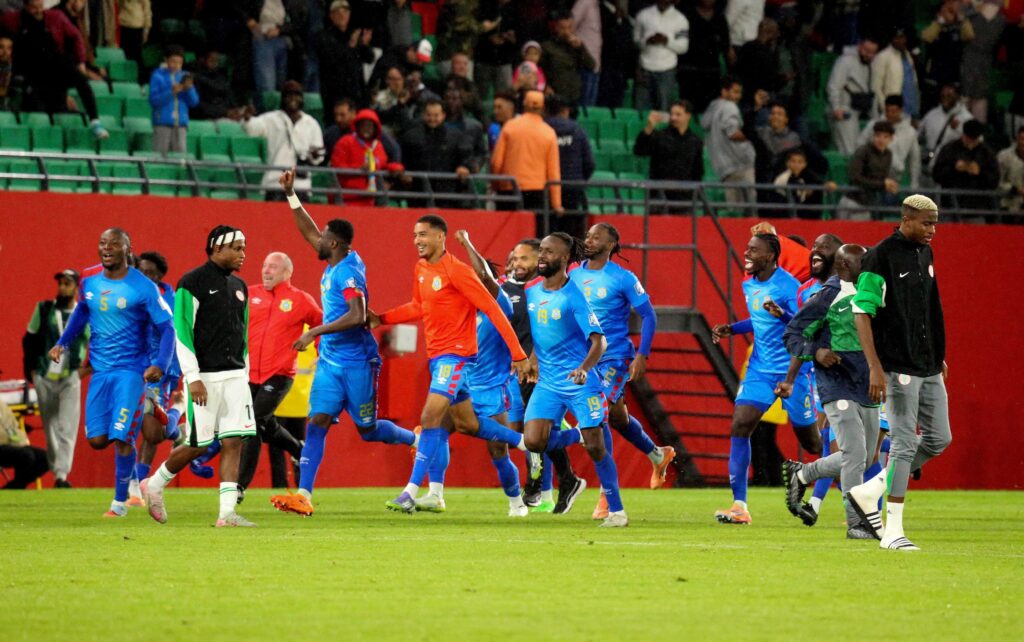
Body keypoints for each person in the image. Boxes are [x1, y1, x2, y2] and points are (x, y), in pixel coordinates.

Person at [270, 171, 418, 516]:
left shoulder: (348, 273)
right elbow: (309, 231)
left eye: (323, 237)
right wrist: (291, 195)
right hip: (331, 364)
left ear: (334, 244)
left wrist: (313, 331)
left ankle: (415, 439)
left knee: (367, 430)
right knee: (318, 420)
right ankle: (304, 495)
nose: (316, 239)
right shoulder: (336, 259)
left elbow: (358, 315)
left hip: (357, 363)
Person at [368, 215, 536, 514]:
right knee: (463, 425)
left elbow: (494, 311)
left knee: (431, 418)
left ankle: (410, 492)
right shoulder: (421, 269)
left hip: (459, 360)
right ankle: (521, 444)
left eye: (424, 235)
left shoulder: (457, 272)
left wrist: (519, 355)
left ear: (441, 237)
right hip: (441, 360)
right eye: (415, 235)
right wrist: (383, 318)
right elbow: (418, 306)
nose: (418, 240)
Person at [846, 195, 951, 551]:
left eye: (935, 223)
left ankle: (870, 488)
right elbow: (862, 313)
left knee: (940, 438)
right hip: (898, 365)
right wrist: (875, 367)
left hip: (927, 363)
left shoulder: (925, 253)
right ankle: (892, 532)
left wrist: (938, 355)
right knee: (904, 444)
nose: (932, 230)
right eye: (926, 223)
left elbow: (929, 308)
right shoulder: (879, 257)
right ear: (906, 219)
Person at [50, 228, 175, 517]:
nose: (107, 248)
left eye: (114, 244)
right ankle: (164, 416)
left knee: (123, 437)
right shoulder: (89, 279)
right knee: (97, 441)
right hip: (101, 371)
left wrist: (161, 364)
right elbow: (82, 310)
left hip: (132, 371)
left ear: (128, 250)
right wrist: (63, 343)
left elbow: (167, 327)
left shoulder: (143, 287)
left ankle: (120, 503)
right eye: (103, 243)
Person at [142, 225, 257, 528]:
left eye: (244, 248)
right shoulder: (190, 283)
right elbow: (182, 333)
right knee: (199, 443)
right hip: (204, 378)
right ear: (217, 248)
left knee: (234, 442)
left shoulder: (240, 286)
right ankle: (154, 484)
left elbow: (242, 334)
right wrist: (192, 377)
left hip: (235, 377)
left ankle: (226, 514)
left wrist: (244, 372)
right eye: (237, 248)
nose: (243, 254)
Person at [710, 233, 821, 525]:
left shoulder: (789, 287)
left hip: (793, 371)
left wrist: (783, 312)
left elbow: (805, 329)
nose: (746, 254)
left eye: (753, 250)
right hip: (760, 369)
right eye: (746, 248)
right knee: (740, 424)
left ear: (771, 256)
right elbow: (760, 320)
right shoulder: (749, 283)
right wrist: (732, 329)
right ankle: (739, 506)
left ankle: (864, 468)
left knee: (812, 444)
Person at [520, 232, 628, 528]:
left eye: (549, 252)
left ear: (565, 258)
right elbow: (538, 329)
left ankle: (617, 511)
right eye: (540, 250)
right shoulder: (531, 291)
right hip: (548, 383)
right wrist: (530, 356)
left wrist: (583, 368)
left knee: (596, 448)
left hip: (580, 381)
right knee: (533, 440)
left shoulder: (573, 297)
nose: (542, 256)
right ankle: (577, 434)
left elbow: (599, 342)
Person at [778, 243, 882, 540]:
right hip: (836, 385)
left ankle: (803, 474)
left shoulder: (871, 291)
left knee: (863, 459)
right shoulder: (826, 297)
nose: (869, 267)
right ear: (845, 267)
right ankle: (856, 523)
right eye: (863, 263)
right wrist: (817, 352)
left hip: (867, 384)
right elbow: (793, 334)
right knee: (853, 454)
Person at [572, 223, 674, 520]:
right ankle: (658, 453)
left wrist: (642, 354)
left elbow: (649, 315)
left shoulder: (623, 278)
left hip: (614, 356)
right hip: (583, 357)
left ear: (610, 245)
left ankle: (607, 495)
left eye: (596, 237)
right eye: (587, 235)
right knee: (616, 416)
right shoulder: (573, 273)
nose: (589, 240)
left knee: (599, 412)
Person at [499, 238, 585, 513]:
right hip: (517, 369)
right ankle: (565, 474)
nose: (517, 264)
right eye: (514, 259)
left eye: (524, 258)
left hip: (544, 371)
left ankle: (540, 486)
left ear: (540, 259)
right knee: (519, 433)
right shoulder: (511, 288)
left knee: (535, 432)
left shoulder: (552, 289)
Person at [454, 230, 531, 517]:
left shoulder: (498, 305)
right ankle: (428, 492)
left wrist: (467, 243)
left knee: (498, 450)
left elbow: (485, 277)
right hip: (462, 385)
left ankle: (516, 502)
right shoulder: (462, 308)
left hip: (492, 388)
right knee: (433, 430)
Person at [237, 251, 321, 500]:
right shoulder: (249, 294)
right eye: (264, 265)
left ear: (287, 272)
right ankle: (298, 449)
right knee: (259, 423)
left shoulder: (300, 300)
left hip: (280, 374)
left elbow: (323, 325)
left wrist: (318, 349)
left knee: (253, 423)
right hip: (249, 373)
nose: (266, 270)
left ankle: (239, 488)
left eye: (273, 267)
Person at [0, 0, 108, 138]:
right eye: (34, 8)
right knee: (39, 113)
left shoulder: (55, 16)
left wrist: (81, 62)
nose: (39, 11)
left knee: (81, 81)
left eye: (41, 7)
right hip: (34, 73)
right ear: (26, 7)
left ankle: (95, 122)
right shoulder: (12, 20)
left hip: (56, 63)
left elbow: (76, 36)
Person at [126, 251, 184, 507]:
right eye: (141, 272)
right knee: (147, 431)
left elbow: (172, 334)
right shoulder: (132, 294)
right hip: (134, 367)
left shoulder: (167, 299)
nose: (144, 277)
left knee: (151, 433)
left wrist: (166, 367)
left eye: (150, 273)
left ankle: (134, 488)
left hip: (160, 371)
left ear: (160, 276)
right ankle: (177, 420)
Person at [23, 268, 86, 488]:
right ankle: (56, 468)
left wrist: (86, 370)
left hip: (70, 376)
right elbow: (28, 340)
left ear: (76, 287)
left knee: (67, 427)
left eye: (67, 283)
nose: (62, 287)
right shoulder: (44, 309)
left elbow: (97, 345)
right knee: (49, 426)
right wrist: (30, 371)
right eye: (60, 283)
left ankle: (61, 476)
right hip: (44, 375)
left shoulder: (85, 313)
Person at [243, 80, 325, 199]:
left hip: (301, 186)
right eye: (289, 95)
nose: (293, 98)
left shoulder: (311, 123)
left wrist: (314, 156)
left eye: (297, 95)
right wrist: (247, 118)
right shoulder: (271, 118)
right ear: (283, 98)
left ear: (302, 98)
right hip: (275, 183)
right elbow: (251, 129)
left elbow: (319, 156)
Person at [491, 90, 562, 226]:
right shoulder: (549, 132)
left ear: (524, 105)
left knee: (508, 233)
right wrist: (556, 203)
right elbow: (553, 172)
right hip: (537, 192)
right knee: (534, 237)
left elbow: (496, 162)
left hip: (509, 189)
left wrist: (496, 185)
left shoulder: (510, 126)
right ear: (542, 108)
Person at [398, 97, 472, 208]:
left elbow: (466, 157)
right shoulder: (411, 136)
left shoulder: (455, 136)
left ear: (443, 116)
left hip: (447, 195)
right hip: (418, 195)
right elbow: (403, 159)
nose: (432, 118)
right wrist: (404, 172)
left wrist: (464, 166)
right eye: (429, 115)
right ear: (423, 115)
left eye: (436, 115)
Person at [634, 100, 703, 212]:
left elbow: (698, 171)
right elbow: (639, 150)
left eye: (678, 114)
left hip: (684, 199)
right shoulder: (659, 136)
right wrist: (649, 128)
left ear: (688, 116)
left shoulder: (695, 141)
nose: (674, 118)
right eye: (672, 114)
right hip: (659, 196)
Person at [702, 76, 757, 208]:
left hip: (725, 168)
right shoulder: (730, 107)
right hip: (741, 164)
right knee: (751, 212)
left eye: (740, 92)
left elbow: (704, 124)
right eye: (735, 92)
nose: (738, 96)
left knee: (734, 213)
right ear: (724, 92)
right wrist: (754, 137)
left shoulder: (713, 107)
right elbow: (732, 133)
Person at [543, 93, 594, 236]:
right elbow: (589, 163)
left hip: (547, 190)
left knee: (546, 235)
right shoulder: (577, 130)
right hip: (573, 189)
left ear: (546, 110)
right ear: (566, 111)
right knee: (571, 237)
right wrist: (579, 181)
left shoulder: (542, 129)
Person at [331, 107, 403, 206]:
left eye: (370, 126)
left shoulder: (378, 145)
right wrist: (359, 169)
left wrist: (395, 167)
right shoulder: (345, 142)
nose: (367, 128)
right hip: (346, 198)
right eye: (363, 125)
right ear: (357, 126)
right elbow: (336, 167)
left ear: (375, 128)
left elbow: (381, 165)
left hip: (370, 200)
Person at [315, 0, 373, 111]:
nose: (342, 16)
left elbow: (369, 58)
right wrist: (351, 46)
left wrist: (365, 45)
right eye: (338, 13)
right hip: (335, 94)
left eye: (345, 12)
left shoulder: (353, 34)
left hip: (356, 93)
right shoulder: (324, 37)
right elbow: (333, 60)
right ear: (331, 16)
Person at [931, 119, 999, 212]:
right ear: (963, 134)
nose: (970, 143)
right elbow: (936, 175)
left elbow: (994, 180)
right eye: (968, 138)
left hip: (978, 207)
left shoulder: (986, 153)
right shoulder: (949, 150)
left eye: (974, 139)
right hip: (950, 206)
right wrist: (953, 169)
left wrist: (980, 172)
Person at [633, 0, 689, 112]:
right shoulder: (643, 15)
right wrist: (647, 41)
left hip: (666, 70)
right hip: (644, 68)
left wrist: (666, 41)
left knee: (664, 111)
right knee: (640, 110)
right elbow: (635, 41)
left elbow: (683, 47)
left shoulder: (681, 19)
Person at [827, 38, 880, 155]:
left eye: (872, 52)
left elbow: (871, 91)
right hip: (843, 110)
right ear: (860, 47)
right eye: (866, 51)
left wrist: (875, 118)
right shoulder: (845, 61)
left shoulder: (870, 64)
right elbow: (834, 86)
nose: (868, 55)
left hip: (859, 110)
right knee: (849, 151)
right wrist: (836, 108)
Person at [678, 0, 733, 113]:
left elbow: (725, 45)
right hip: (689, 71)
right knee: (688, 109)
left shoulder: (720, 17)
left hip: (711, 73)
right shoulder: (686, 15)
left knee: (710, 110)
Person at [857, 95, 921, 188]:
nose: (890, 114)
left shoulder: (910, 132)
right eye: (887, 111)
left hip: (894, 178)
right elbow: (860, 144)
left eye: (893, 111)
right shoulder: (873, 125)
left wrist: (914, 183)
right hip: (872, 175)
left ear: (901, 110)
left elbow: (915, 158)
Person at [839, 120, 897, 220]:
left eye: (885, 137)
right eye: (878, 135)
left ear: (891, 138)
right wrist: (883, 184)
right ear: (873, 136)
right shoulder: (863, 151)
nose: (881, 140)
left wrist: (889, 184)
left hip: (868, 204)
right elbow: (855, 178)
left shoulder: (888, 155)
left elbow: (882, 178)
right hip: (853, 202)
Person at [148, 45, 199, 156]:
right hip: (162, 122)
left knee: (180, 158)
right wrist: (171, 92)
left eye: (179, 63)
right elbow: (154, 101)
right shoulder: (157, 76)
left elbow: (194, 102)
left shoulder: (185, 76)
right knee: (160, 156)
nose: (176, 65)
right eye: (173, 61)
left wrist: (189, 89)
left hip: (181, 124)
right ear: (166, 60)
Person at [540, 11, 596, 109]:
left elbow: (591, 65)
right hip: (555, 96)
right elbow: (539, 70)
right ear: (556, 28)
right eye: (562, 28)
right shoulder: (547, 47)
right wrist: (545, 86)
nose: (566, 31)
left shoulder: (576, 47)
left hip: (574, 96)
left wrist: (580, 48)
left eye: (569, 27)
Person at [918, 84, 973, 181]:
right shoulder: (932, 115)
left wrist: (958, 129)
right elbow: (919, 134)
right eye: (943, 96)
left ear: (957, 97)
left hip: (953, 169)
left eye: (949, 96)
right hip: (932, 166)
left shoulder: (966, 118)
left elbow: (976, 141)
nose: (945, 99)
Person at [770, 150, 836, 219]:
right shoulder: (783, 178)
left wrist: (827, 185)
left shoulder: (806, 174)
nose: (796, 165)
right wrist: (805, 191)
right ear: (787, 163)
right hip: (784, 213)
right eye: (793, 161)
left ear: (805, 164)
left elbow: (818, 183)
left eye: (800, 162)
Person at [473, 0, 518, 101]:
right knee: (481, 96)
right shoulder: (484, 7)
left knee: (504, 96)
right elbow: (476, 30)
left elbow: (519, 34)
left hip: (504, 59)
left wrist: (509, 37)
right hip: (484, 57)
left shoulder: (514, 9)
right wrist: (489, 37)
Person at [0, 398, 49, 489]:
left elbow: (13, 427)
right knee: (26, 455)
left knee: (47, 458)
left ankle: (12, 488)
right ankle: (16, 489)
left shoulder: (1, 405)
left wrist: (21, 442)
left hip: (9, 444)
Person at [871, 28, 919, 119]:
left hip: (912, 109)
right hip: (894, 111)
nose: (900, 41)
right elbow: (875, 87)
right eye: (896, 38)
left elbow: (913, 82)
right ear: (892, 39)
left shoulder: (908, 55)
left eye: (902, 38)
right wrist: (887, 109)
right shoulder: (882, 56)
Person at [118, 0, 151, 82]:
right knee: (123, 55)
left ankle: (141, 81)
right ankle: (124, 79)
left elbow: (147, 12)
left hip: (137, 27)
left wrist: (146, 30)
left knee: (137, 56)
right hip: (122, 25)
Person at [997, 127, 1024, 212]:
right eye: (1022, 139)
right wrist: (1016, 189)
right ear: (1017, 139)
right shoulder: (1004, 156)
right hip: (1009, 205)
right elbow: (997, 181)